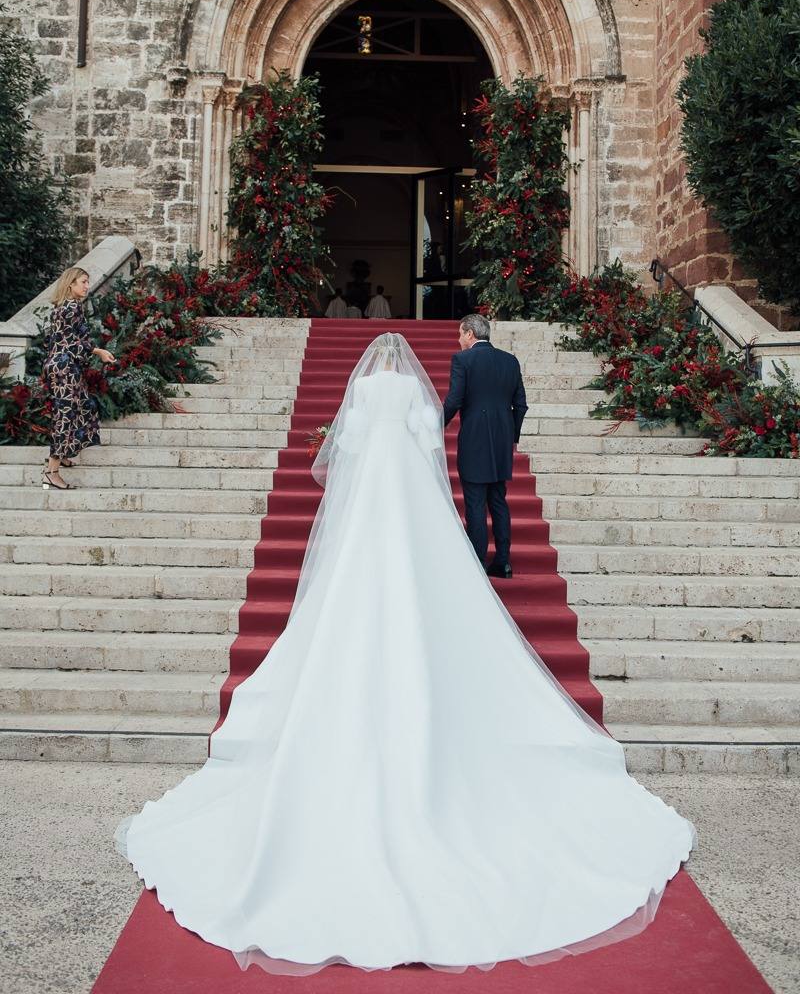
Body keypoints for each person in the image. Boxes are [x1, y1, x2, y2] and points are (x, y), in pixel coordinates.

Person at [115, 333, 695, 977]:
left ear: (372, 367)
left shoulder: (362, 391)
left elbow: (349, 443)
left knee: (353, 582)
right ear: (405, 366)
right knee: (428, 578)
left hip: (369, 502)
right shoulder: (417, 393)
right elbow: (426, 441)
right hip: (411, 498)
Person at [442, 313, 527, 578]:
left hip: (475, 440)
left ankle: (477, 562)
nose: (458, 339)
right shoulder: (509, 361)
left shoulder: (463, 360)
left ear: (469, 334)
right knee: (498, 500)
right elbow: (521, 405)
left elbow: (454, 401)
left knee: (476, 503)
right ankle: (503, 562)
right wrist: (510, 436)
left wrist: (435, 427)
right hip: (501, 441)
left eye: (459, 334)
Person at [41, 266, 115, 490]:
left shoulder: (60, 307)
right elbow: (75, 342)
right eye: (83, 281)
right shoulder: (73, 307)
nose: (86, 286)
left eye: (87, 282)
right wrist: (99, 352)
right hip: (65, 367)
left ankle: (61, 454)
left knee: (83, 407)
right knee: (66, 415)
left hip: (58, 364)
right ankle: (51, 472)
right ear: (71, 284)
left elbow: (53, 340)